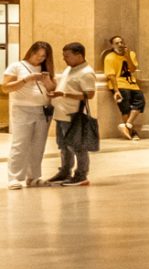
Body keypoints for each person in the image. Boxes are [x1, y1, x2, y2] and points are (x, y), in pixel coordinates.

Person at [44, 42, 98, 187]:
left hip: (73, 115)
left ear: (78, 55)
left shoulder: (86, 72)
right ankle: (65, 171)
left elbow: (89, 95)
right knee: (63, 146)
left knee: (77, 146)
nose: (64, 59)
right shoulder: (69, 69)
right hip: (61, 113)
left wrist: (64, 94)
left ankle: (81, 175)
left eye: (67, 56)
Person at [3, 39, 53, 189]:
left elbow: (52, 88)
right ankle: (14, 178)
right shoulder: (17, 66)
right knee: (20, 144)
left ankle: (34, 177)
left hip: (42, 110)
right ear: (31, 52)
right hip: (22, 109)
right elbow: (6, 87)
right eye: (37, 55)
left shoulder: (45, 68)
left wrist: (47, 81)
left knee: (38, 145)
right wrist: (26, 79)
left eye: (43, 56)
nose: (39, 58)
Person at [98, 35, 143, 141]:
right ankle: (132, 133)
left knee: (141, 101)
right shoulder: (110, 57)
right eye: (117, 43)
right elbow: (111, 75)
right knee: (125, 108)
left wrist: (127, 56)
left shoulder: (131, 54)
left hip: (132, 84)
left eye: (121, 42)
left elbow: (132, 69)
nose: (120, 45)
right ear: (112, 45)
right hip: (118, 85)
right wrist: (116, 91)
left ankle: (127, 125)